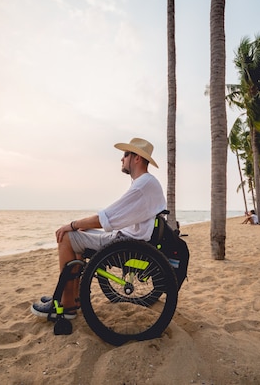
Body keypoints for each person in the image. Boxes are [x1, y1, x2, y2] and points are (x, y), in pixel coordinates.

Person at [31, 137, 166, 319]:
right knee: (78, 234)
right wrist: (79, 227)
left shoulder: (143, 184)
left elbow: (105, 219)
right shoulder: (144, 183)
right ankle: (73, 296)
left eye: (125, 155)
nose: (121, 159)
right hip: (130, 239)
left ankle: (66, 304)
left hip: (126, 243)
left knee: (66, 237)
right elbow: (115, 217)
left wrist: (71, 225)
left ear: (137, 159)